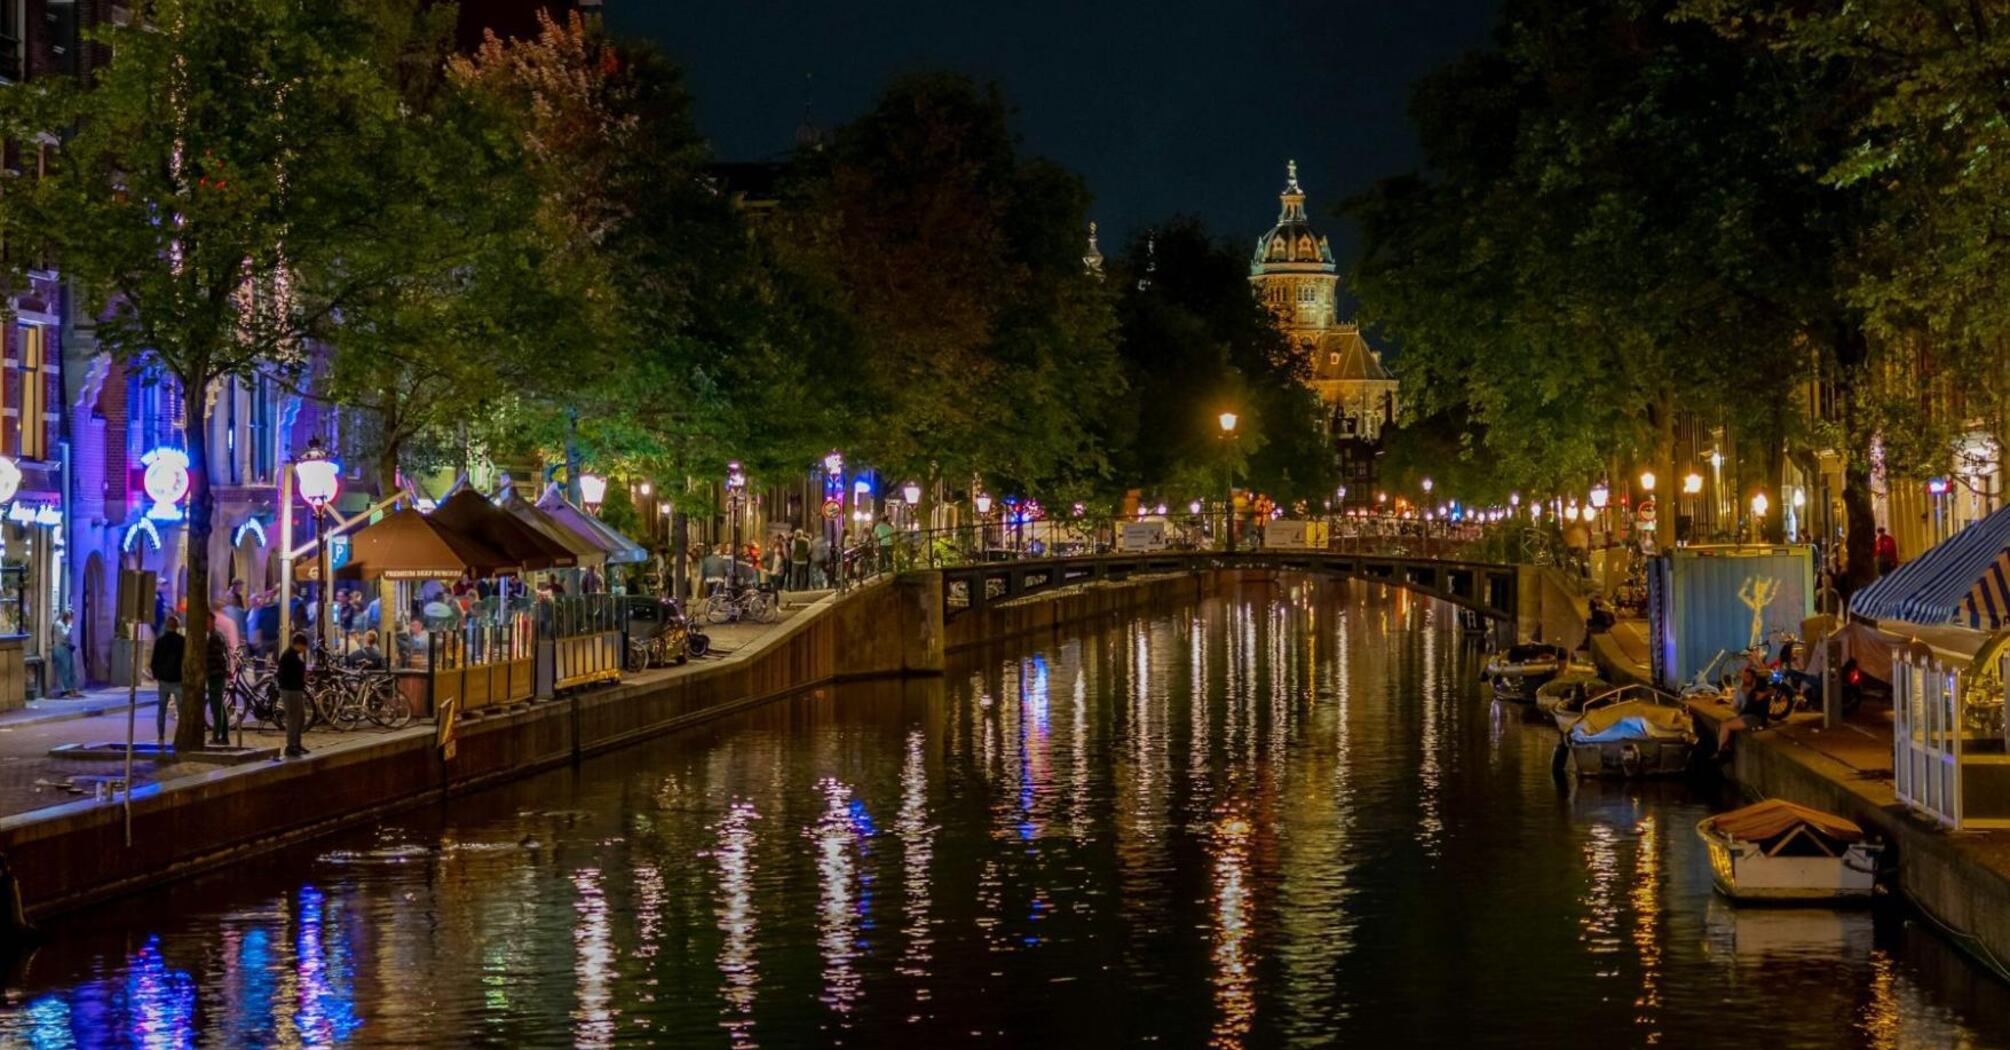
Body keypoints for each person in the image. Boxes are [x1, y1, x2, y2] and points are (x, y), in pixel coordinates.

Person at [148, 615, 185, 745]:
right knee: (181, 710)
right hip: (178, 680)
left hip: (163, 680)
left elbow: (154, 661)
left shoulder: (160, 641)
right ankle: (181, 734)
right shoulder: (182, 641)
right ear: (177, 627)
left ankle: (161, 735)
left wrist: (157, 675)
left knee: (162, 709)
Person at [277, 632, 309, 757]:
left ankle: (297, 743)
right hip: (290, 690)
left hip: (295, 689)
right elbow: (291, 674)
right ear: (299, 645)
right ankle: (291, 745)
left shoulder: (293, 656)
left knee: (300, 717)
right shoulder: (289, 657)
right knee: (293, 718)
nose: (305, 649)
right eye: (304, 646)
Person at [204, 622, 230, 746]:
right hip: (217, 674)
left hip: (215, 675)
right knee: (220, 706)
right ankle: (224, 736)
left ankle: (217, 736)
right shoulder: (218, 636)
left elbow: (215, 657)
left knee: (216, 707)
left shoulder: (214, 638)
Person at [48, 609, 81, 698]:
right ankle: (66, 690)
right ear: (66, 617)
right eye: (70, 618)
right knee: (64, 670)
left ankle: (73, 688)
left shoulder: (65, 624)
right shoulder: (58, 624)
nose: (71, 620)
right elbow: (65, 635)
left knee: (71, 669)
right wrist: (69, 626)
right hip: (60, 649)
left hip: (67, 648)